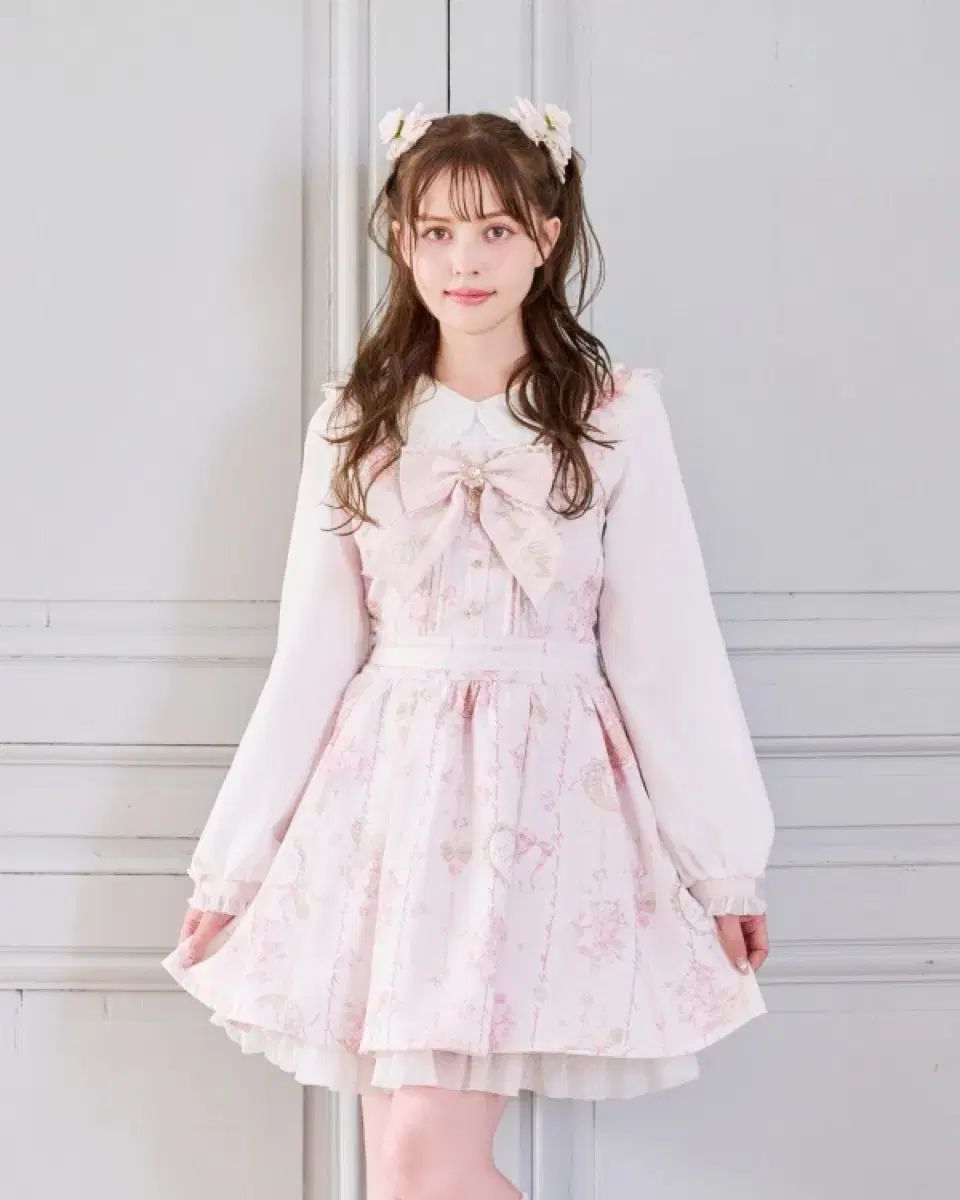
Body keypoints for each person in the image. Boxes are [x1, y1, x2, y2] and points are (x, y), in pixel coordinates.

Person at [161, 96, 775, 1200]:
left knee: (418, 1165)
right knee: (400, 1170)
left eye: (495, 228)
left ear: (547, 236)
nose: (466, 260)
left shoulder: (612, 416)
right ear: (403, 243)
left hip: (542, 807)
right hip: (386, 812)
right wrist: (235, 862)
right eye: (438, 231)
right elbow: (312, 655)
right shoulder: (356, 421)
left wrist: (720, 859)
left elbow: (666, 651)